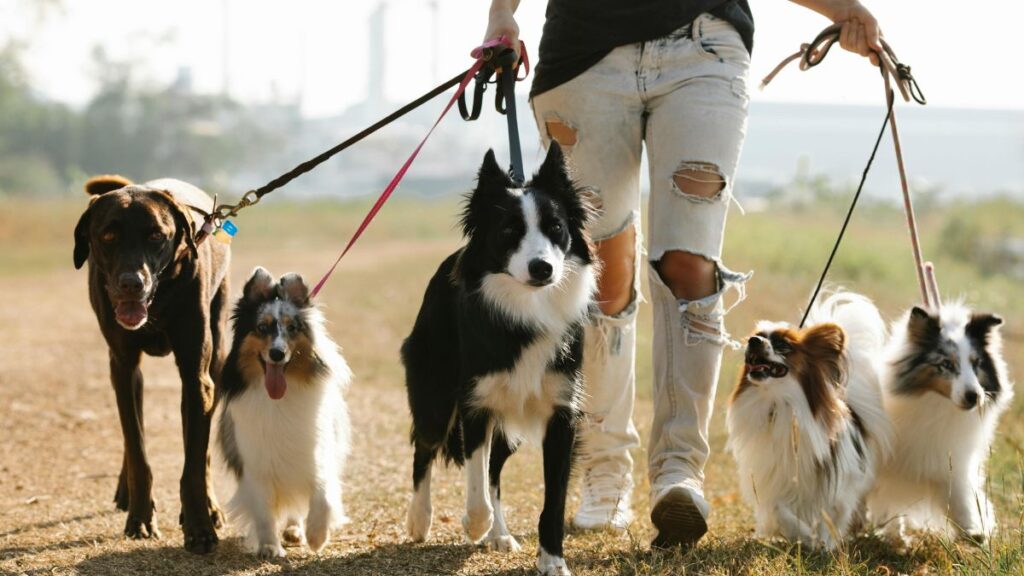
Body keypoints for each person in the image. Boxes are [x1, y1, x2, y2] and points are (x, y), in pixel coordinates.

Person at [482, 0, 884, 548]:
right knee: (600, 268)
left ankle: (678, 470)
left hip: (705, 48)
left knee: (690, 263)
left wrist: (845, 10)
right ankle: (604, 468)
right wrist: (501, 15)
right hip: (582, 54)